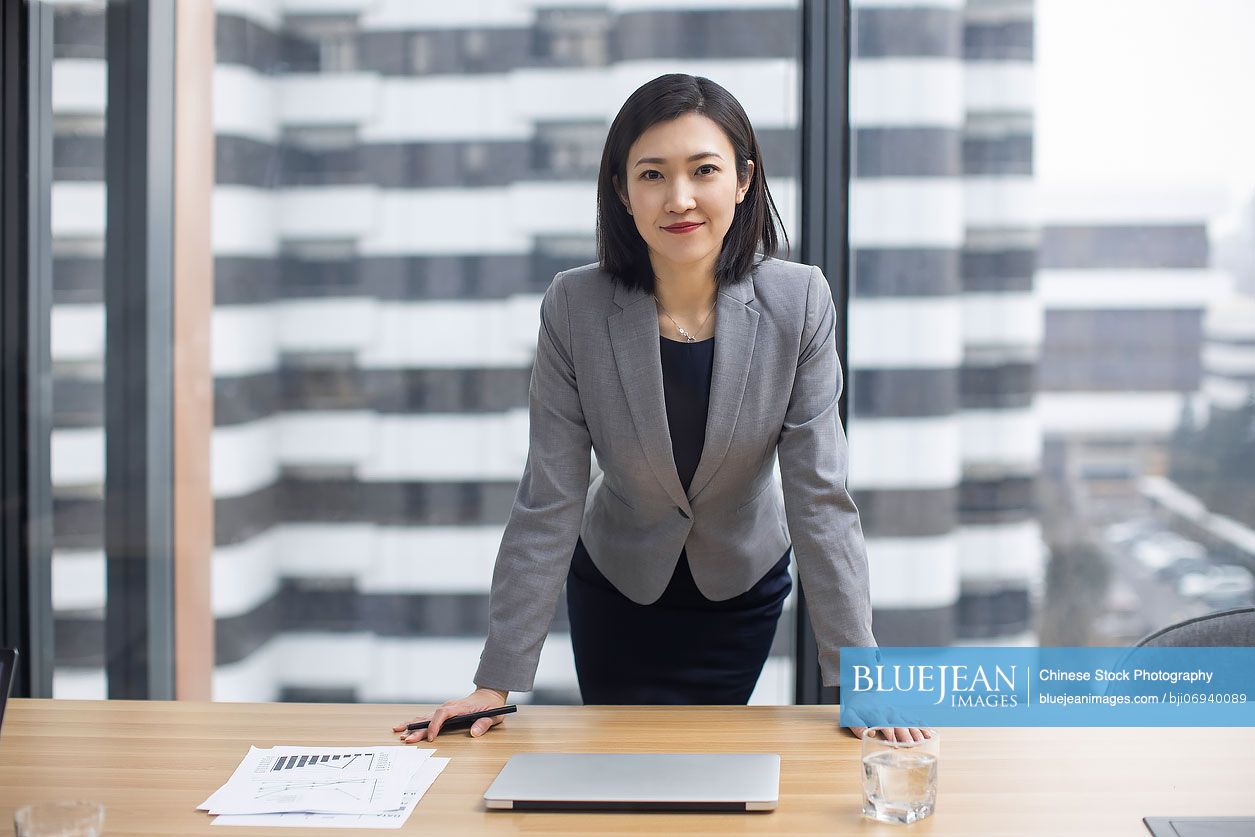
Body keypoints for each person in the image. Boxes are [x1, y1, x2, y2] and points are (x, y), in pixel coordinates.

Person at [394, 73, 929, 745]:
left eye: (703, 169)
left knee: (710, 771)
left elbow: (818, 495)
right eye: (652, 174)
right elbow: (548, 497)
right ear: (622, 190)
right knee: (621, 774)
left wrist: (860, 674)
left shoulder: (800, 302)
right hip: (615, 588)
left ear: (741, 179)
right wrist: (494, 683)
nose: (679, 198)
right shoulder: (574, 306)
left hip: (741, 585)